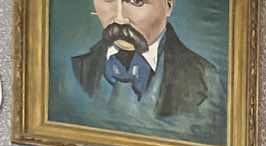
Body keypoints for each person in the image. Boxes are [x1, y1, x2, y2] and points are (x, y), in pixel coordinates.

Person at [70, 0, 223, 129]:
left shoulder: (207, 80)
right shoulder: (75, 69)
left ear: (169, 5)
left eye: (136, 2)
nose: (120, 19)